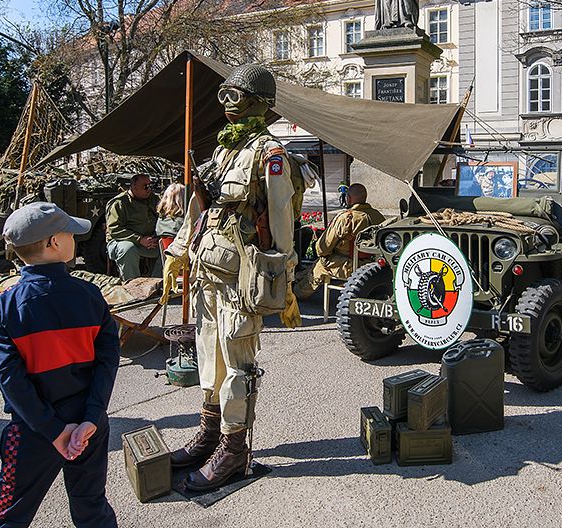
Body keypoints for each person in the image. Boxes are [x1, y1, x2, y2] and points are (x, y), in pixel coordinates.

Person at [162, 63, 303, 492]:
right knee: (209, 356)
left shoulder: (270, 155)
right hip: (209, 270)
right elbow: (203, 211)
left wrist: (286, 279)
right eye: (224, 96)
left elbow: (282, 220)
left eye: (236, 96)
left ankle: (235, 450)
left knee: (238, 365)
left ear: (259, 103)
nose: (227, 106)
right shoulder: (223, 152)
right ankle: (209, 434)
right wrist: (180, 249)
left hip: (243, 277)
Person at [0, 202, 119, 528]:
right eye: (69, 232)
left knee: (10, 516)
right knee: (92, 506)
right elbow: (108, 359)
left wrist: (54, 430)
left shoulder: (3, 307)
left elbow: (9, 378)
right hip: (89, 424)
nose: (75, 238)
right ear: (53, 243)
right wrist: (91, 416)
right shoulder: (90, 295)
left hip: (33, 431)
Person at [294, 183, 385, 298]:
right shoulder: (378, 216)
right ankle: (298, 277)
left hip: (349, 266)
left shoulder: (346, 218)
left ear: (349, 198)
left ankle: (296, 293)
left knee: (322, 264)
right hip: (371, 264)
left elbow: (322, 248)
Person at [105, 174, 160, 281]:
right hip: (122, 241)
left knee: (168, 248)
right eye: (145, 186)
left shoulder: (153, 199)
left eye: (150, 185)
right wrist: (139, 239)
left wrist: (155, 238)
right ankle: (132, 286)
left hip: (148, 241)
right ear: (134, 186)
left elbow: (162, 219)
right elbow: (114, 230)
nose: (149, 189)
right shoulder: (120, 203)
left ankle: (156, 283)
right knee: (128, 249)